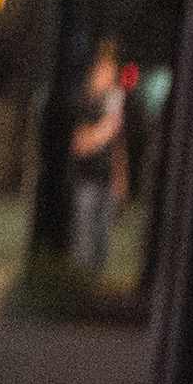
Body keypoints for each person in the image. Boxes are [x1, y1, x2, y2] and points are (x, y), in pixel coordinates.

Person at [65, 39, 129, 283]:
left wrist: (121, 180)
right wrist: (105, 130)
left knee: (102, 243)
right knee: (84, 241)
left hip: (106, 181)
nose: (110, 78)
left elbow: (117, 148)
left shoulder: (110, 106)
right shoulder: (84, 104)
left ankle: (95, 287)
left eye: (113, 73)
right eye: (105, 72)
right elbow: (79, 145)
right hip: (85, 181)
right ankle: (79, 287)